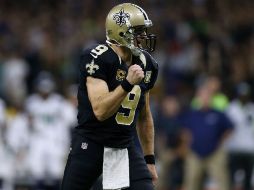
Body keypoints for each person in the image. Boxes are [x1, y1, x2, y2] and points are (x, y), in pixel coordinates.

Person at [61, 3, 158, 190]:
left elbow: (145, 115)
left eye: (144, 31)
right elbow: (100, 111)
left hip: (124, 145)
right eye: (138, 31)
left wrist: (149, 160)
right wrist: (127, 83)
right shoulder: (97, 57)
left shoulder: (147, 64)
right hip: (90, 143)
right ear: (121, 32)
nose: (144, 37)